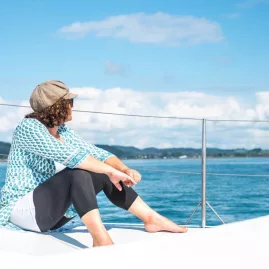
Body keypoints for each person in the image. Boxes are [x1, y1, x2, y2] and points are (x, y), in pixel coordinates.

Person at [0, 80, 188, 247]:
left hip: (52, 215)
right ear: (57, 106)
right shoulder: (29, 128)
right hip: (22, 212)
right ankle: (100, 239)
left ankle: (151, 219)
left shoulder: (63, 132)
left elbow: (97, 154)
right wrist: (111, 172)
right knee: (78, 171)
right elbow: (73, 157)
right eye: (70, 102)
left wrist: (123, 169)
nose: (73, 107)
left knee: (97, 171)